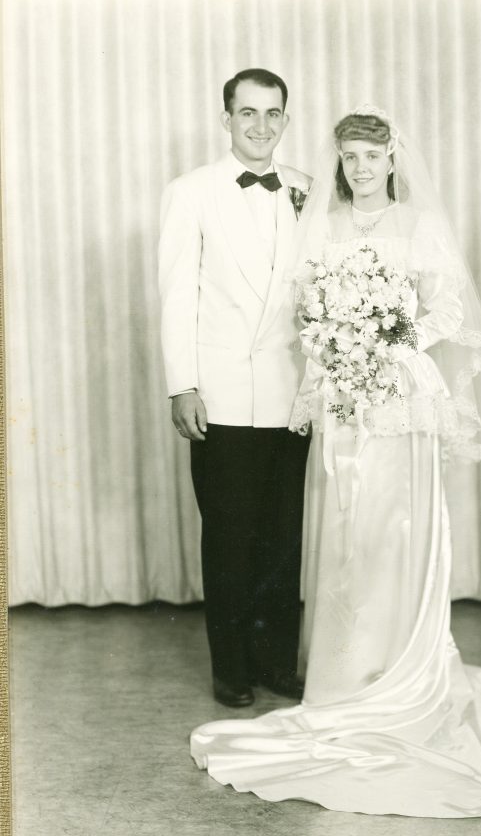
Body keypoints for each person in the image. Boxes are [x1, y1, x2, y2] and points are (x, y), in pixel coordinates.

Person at [189, 107, 481, 816]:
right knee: (348, 535)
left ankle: (402, 672)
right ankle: (345, 679)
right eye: (349, 157)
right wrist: (335, 343)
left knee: (396, 529)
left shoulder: (420, 225)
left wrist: (391, 338)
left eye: (371, 156)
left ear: (392, 159)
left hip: (400, 397)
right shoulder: (322, 225)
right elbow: (304, 310)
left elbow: (448, 311)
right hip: (345, 401)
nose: (359, 168)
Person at [158, 69, 311, 708]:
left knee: (283, 537)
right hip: (220, 395)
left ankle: (276, 662)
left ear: (285, 120)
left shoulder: (306, 190)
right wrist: (183, 386)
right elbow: (176, 296)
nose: (260, 126)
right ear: (226, 119)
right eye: (248, 113)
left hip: (291, 394)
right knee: (228, 536)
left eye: (272, 114)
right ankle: (231, 669)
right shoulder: (190, 192)